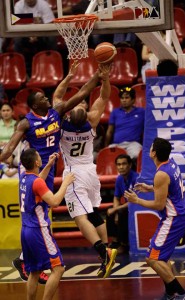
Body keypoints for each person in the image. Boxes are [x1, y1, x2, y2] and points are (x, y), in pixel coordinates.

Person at [1, 61, 101, 283]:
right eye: (42, 99)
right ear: (34, 107)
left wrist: (99, 75)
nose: (48, 100)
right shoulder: (26, 124)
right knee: (36, 217)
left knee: (41, 216)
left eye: (46, 98)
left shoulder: (56, 112)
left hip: (49, 169)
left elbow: (83, 92)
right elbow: (8, 150)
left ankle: (24, 260)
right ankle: (30, 262)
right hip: (32, 172)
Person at [59, 64, 117, 279]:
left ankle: (104, 251)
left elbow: (58, 99)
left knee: (79, 218)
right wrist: (106, 79)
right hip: (91, 173)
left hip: (74, 174)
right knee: (93, 213)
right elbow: (103, 97)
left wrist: (68, 79)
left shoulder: (61, 126)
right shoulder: (92, 120)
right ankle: (108, 251)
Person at [124, 137, 185, 300]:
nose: (149, 149)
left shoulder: (161, 174)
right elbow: (170, 188)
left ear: (154, 153)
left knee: (152, 258)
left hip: (174, 218)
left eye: (151, 147)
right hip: (180, 215)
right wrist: (151, 187)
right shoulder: (171, 164)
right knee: (161, 258)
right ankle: (170, 294)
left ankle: (183, 294)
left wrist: (137, 200)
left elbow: (159, 205)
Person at [19, 148, 75, 300]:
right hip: (39, 230)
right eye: (39, 156)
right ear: (37, 162)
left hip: (25, 230)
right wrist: (66, 183)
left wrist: (49, 165)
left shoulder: (24, 177)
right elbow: (55, 202)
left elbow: (38, 181)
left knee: (34, 272)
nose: (40, 156)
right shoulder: (36, 182)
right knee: (58, 269)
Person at [104, 86, 145, 169]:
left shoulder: (141, 112)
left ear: (133, 100)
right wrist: (106, 146)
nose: (124, 100)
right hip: (117, 144)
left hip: (133, 144)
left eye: (127, 97)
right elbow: (109, 131)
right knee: (105, 155)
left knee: (136, 155)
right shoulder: (115, 112)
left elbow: (146, 130)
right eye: (122, 98)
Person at [14, 0, 57, 76]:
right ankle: (22, 72)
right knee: (17, 39)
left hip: (42, 33)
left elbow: (49, 24)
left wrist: (37, 34)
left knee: (51, 37)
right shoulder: (19, 5)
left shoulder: (43, 4)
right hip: (25, 33)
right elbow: (16, 24)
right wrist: (30, 34)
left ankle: (51, 66)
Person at [106, 154, 138, 254]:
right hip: (126, 207)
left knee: (121, 212)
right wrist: (115, 211)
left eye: (124, 164)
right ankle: (115, 241)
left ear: (130, 165)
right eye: (119, 164)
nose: (121, 167)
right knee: (109, 211)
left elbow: (135, 201)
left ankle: (124, 244)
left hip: (137, 207)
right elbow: (116, 197)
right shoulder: (119, 179)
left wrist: (116, 210)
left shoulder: (136, 178)